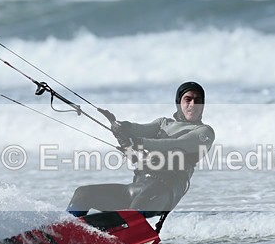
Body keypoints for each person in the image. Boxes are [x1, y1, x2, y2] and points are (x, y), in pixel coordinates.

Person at [67, 81, 215, 219]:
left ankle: (116, 233)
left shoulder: (204, 132)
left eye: (198, 100)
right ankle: (62, 230)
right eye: (187, 99)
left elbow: (177, 144)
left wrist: (139, 143)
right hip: (137, 187)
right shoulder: (163, 123)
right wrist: (122, 127)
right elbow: (139, 129)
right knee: (83, 193)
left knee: (137, 207)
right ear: (178, 102)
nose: (193, 104)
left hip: (164, 190)